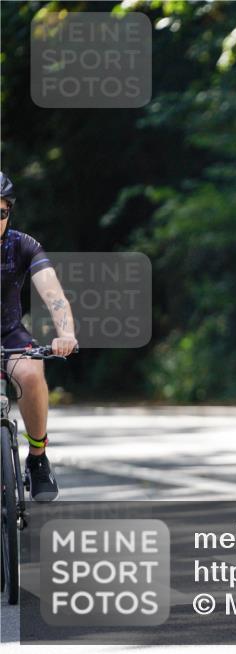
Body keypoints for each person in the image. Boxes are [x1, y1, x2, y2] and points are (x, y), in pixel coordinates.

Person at [0, 171, 77, 502]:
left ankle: (37, 457)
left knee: (31, 374)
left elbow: (53, 293)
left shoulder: (23, 245)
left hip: (10, 332)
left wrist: (66, 333)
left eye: (1, 213)